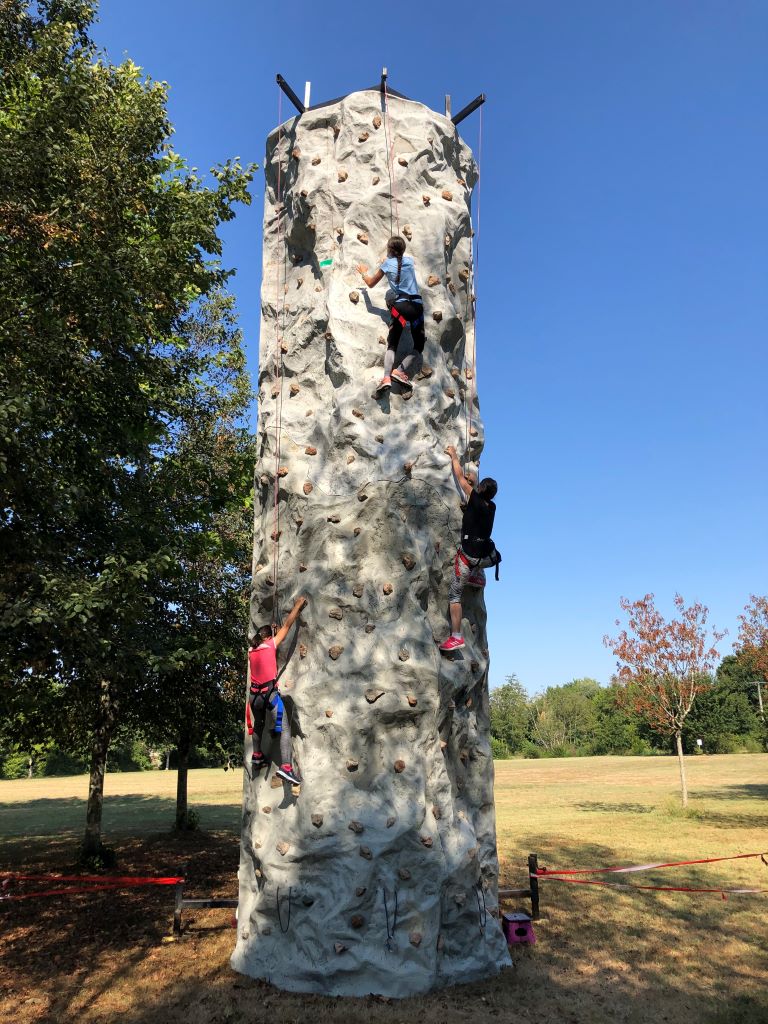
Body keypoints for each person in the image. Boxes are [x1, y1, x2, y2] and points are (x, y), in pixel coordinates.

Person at [439, 447, 498, 653]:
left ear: (479, 489)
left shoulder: (474, 498)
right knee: (474, 560)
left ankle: (456, 637)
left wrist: (454, 456)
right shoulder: (491, 507)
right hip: (483, 557)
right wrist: (475, 480)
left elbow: (458, 476)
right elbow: (475, 487)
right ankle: (477, 577)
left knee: (454, 596)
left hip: (468, 556)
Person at [246, 595, 308, 785]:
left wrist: (271, 634)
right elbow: (288, 625)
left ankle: (257, 755)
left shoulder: (252, 650)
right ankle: (286, 768)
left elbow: (266, 643)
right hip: (269, 694)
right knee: (285, 730)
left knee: (259, 724)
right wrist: (297, 605)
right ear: (268, 637)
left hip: (254, 695)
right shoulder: (270, 645)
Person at [356, 235, 426, 393]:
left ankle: (387, 377)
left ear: (389, 250)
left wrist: (363, 272)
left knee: (392, 344)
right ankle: (400, 370)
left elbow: (370, 283)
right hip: (416, 307)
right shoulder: (409, 262)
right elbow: (400, 262)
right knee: (419, 345)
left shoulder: (387, 264)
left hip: (399, 307)